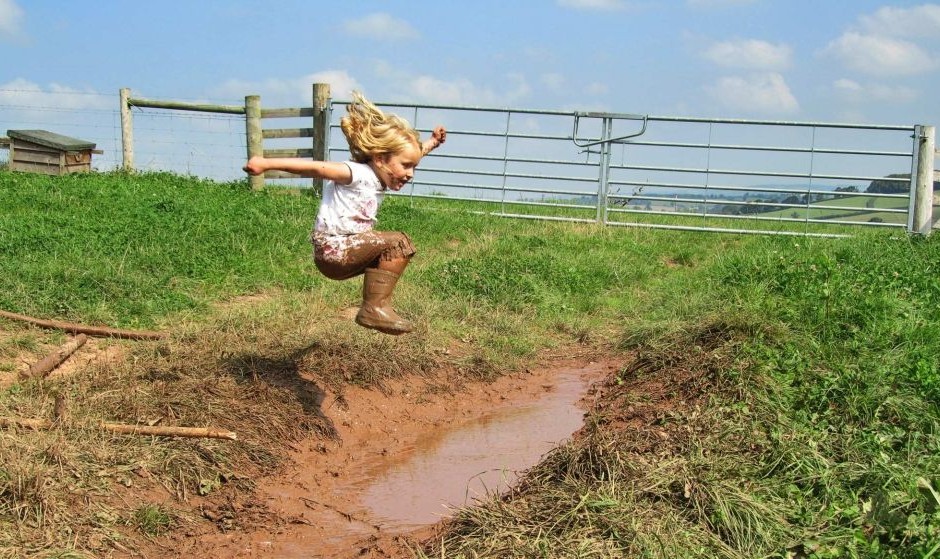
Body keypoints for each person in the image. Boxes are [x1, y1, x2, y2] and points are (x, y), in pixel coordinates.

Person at [243, 91, 446, 335]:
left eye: (414, 167)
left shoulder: (380, 173)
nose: (410, 174)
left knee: (397, 249)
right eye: (406, 166)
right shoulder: (355, 173)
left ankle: (376, 307)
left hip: (348, 253)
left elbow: (411, 155)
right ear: (381, 159)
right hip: (334, 250)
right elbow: (316, 168)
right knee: (398, 243)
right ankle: (373, 308)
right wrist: (265, 164)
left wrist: (431, 143)